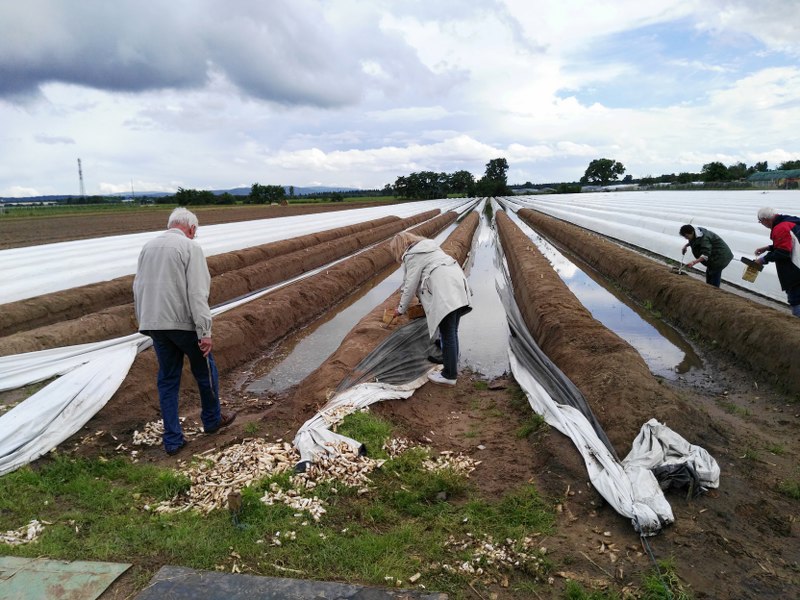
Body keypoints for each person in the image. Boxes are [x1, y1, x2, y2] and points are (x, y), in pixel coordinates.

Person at [133, 207, 236, 455]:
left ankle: (172, 439)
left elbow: (138, 287)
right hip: (183, 324)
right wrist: (205, 331)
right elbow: (198, 293)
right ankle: (212, 420)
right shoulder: (190, 248)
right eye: (195, 231)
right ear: (191, 228)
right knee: (205, 371)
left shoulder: (148, 247)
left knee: (168, 380)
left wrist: (145, 321)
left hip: (155, 324)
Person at [390, 231, 472, 387]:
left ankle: (449, 375)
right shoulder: (429, 247)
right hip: (458, 285)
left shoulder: (412, 256)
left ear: (399, 247)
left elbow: (410, 285)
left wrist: (400, 309)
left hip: (445, 292)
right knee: (451, 331)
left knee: (448, 333)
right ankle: (447, 359)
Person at [754, 207, 800, 317]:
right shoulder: (789, 221)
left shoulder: (780, 227)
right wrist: (769, 248)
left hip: (796, 270)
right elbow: (791, 242)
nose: (762, 224)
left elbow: (783, 252)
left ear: (765, 219)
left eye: (760, 221)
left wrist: (763, 260)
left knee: (796, 301)